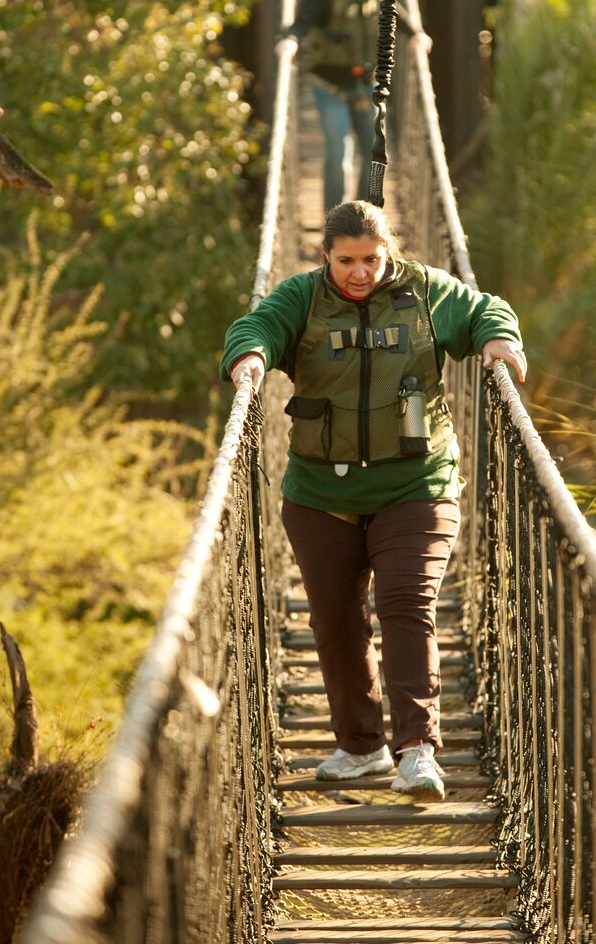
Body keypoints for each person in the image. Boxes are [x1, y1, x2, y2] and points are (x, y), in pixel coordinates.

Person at [220, 200, 526, 801]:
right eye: (346, 261)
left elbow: (489, 310)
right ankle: (362, 747)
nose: (359, 272)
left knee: (405, 604)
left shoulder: (427, 293)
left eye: (371, 259)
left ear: (390, 253)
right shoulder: (302, 297)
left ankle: (418, 751)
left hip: (416, 485)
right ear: (325, 257)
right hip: (318, 493)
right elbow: (252, 326)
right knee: (335, 623)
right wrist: (250, 358)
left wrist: (498, 343)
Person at [276, 0, 432, 213]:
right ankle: (334, 222)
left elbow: (395, 11)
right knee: (339, 153)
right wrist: (290, 40)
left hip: (368, 81)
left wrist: (416, 34)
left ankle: (365, 214)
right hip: (329, 83)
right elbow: (302, 21)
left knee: (375, 154)